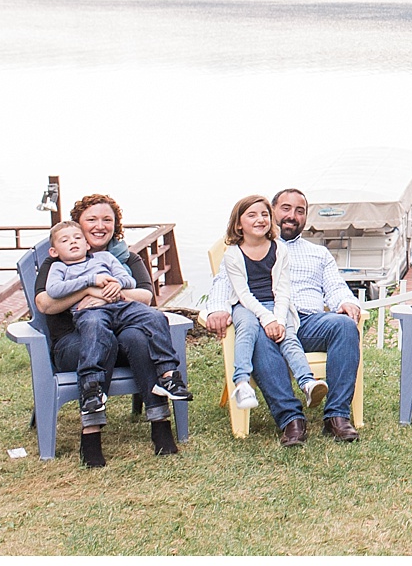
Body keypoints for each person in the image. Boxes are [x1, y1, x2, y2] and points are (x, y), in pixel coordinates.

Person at [204, 188, 363, 447]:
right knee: (258, 340)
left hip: (309, 322)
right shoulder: (245, 249)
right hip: (267, 320)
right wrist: (218, 308)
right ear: (273, 212)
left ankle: (337, 416)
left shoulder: (318, 253)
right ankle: (291, 420)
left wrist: (346, 302)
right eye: (286, 209)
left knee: (344, 325)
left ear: (305, 218)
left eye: (300, 211)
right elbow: (225, 283)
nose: (292, 216)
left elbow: (335, 287)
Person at [32, 194, 179, 466]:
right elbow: (45, 303)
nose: (100, 226)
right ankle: (91, 436)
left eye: (107, 220)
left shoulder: (125, 258)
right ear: (78, 225)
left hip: (121, 334)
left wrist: (105, 295)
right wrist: (87, 288)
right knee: (105, 340)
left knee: (136, 337)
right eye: (91, 220)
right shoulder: (59, 262)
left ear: (115, 225)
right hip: (72, 344)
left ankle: (160, 424)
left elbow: (146, 297)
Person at [45, 220, 191, 416]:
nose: (73, 242)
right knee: (94, 327)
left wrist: (116, 286)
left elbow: (129, 280)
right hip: (91, 312)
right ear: (54, 251)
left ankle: (169, 375)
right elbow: (54, 290)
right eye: (65, 240)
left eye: (78, 238)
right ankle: (91, 387)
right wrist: (90, 283)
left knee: (155, 317)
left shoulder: (104, 257)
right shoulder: (59, 268)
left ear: (87, 244)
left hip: (120, 305)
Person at [219, 195, 326, 413]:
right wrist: (267, 319)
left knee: (287, 335)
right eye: (252, 215)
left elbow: (283, 289)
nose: (260, 219)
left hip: (276, 304)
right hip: (245, 306)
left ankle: (307, 383)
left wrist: (278, 318)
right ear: (238, 224)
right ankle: (241, 383)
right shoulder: (232, 255)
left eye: (264, 214)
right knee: (247, 328)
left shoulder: (279, 249)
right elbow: (243, 294)